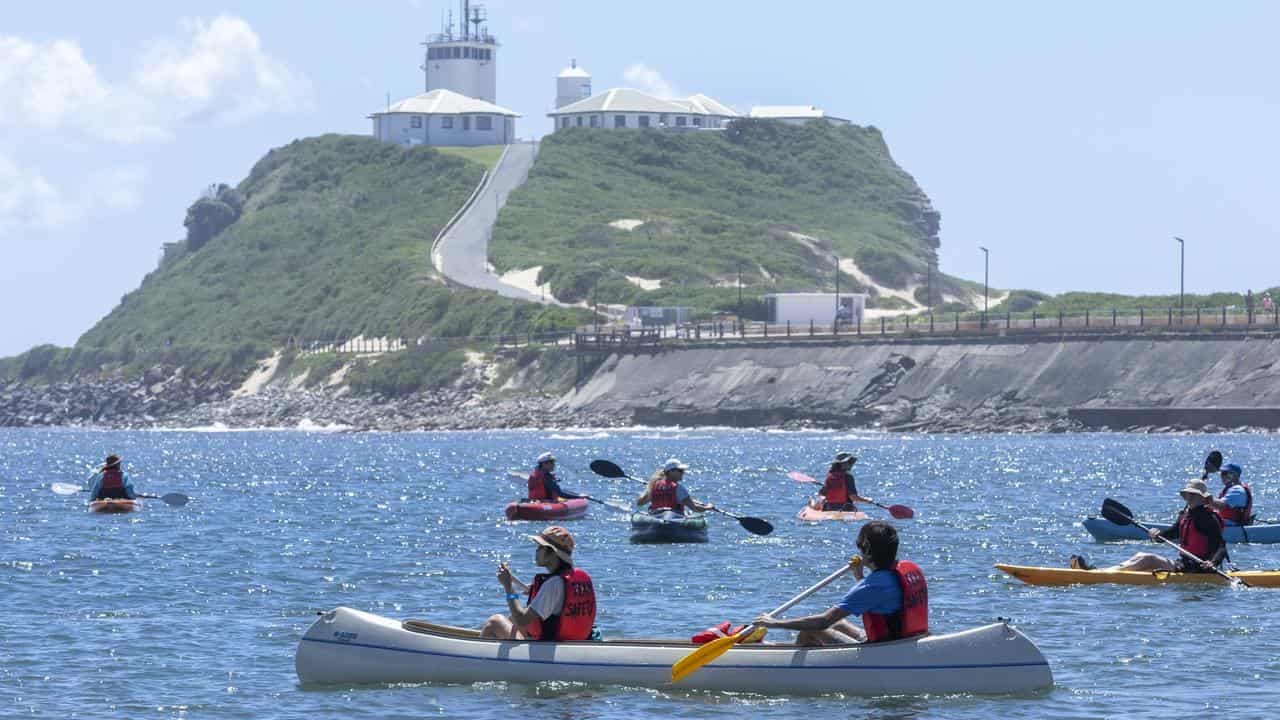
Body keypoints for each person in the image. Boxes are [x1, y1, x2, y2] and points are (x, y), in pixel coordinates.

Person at [754, 521, 927, 646]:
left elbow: (823, 621)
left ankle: (792, 668)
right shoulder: (904, 570)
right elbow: (879, 598)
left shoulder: (872, 585)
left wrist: (773, 623)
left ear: (867, 550)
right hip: (903, 641)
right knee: (839, 624)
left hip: (883, 650)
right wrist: (859, 576)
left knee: (811, 629)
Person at [1071, 480, 1225, 573]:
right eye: (1187, 494)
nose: (1189, 498)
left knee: (1147, 558)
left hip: (1199, 568)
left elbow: (1221, 546)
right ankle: (1102, 571)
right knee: (1140, 556)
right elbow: (1173, 533)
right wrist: (1158, 535)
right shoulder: (1186, 515)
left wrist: (1213, 562)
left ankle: (1099, 573)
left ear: (1202, 498)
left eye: (1193, 495)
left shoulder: (1208, 519)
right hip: (1184, 564)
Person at [480, 526, 596, 641]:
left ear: (553, 553)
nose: (536, 550)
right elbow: (561, 600)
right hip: (575, 641)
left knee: (495, 622)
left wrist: (508, 587)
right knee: (511, 619)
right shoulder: (574, 578)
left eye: (541, 547)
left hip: (550, 647)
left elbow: (521, 619)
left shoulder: (553, 585)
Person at [636, 459, 715, 516]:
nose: (683, 473)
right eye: (680, 470)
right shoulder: (679, 488)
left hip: (656, 515)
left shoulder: (654, 485)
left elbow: (640, 503)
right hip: (672, 518)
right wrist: (708, 507)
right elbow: (695, 508)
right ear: (671, 472)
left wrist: (649, 486)